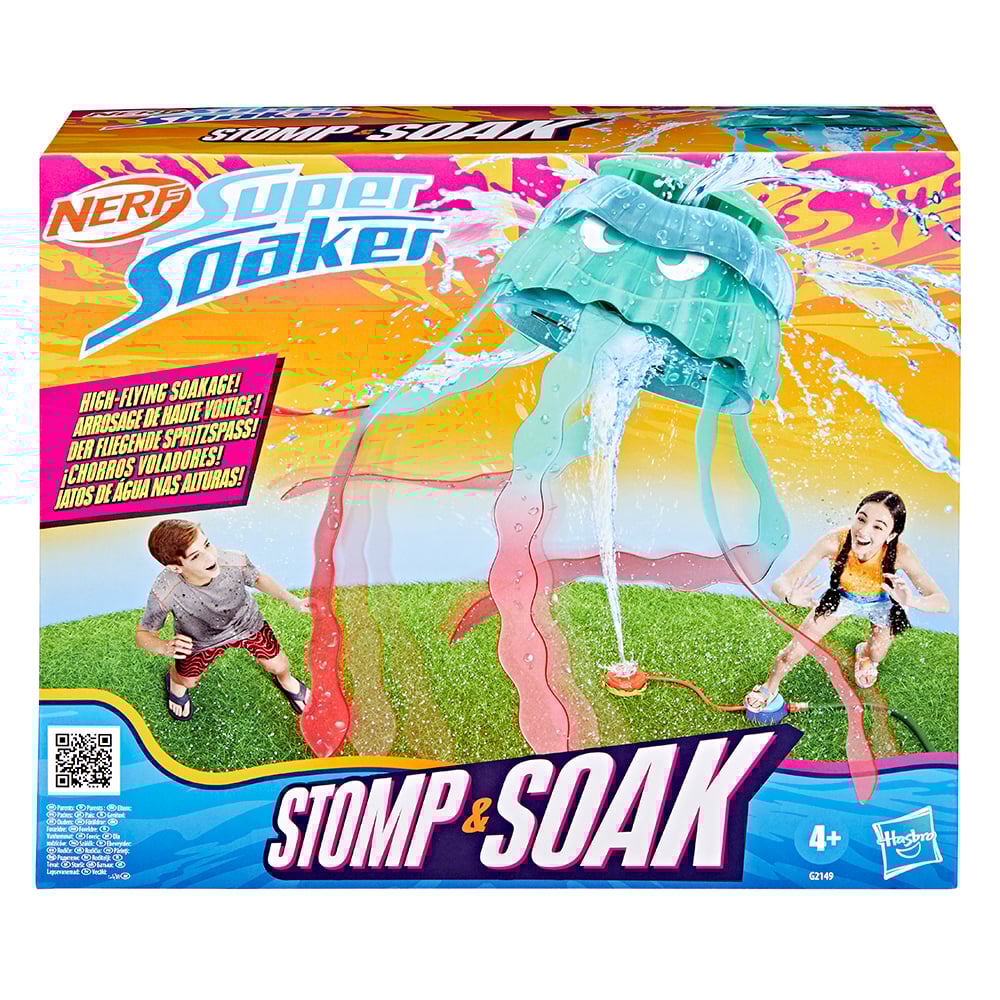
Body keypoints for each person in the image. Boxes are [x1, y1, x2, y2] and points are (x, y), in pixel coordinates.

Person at [744, 490, 949, 712]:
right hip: (841, 597)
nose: (863, 531)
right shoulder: (834, 542)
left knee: (877, 654)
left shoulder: (901, 554)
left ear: (891, 535)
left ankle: (865, 653)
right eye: (861, 519)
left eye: (878, 527)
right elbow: (781, 582)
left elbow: (941, 602)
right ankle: (769, 687)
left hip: (881, 602)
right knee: (790, 654)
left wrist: (912, 601)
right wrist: (789, 595)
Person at [136, 519, 311, 721]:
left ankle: (286, 681)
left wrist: (293, 600)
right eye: (195, 556)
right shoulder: (165, 591)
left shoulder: (234, 560)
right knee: (188, 681)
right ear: (176, 568)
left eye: (207, 544)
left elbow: (258, 578)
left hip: (247, 625)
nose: (211, 557)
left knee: (278, 666)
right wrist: (164, 647)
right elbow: (143, 634)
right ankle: (175, 681)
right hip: (199, 640)